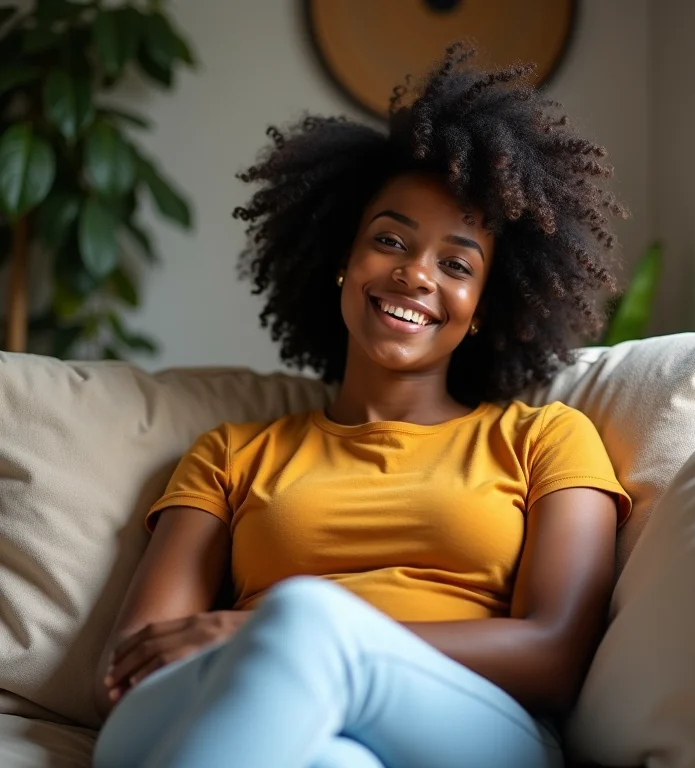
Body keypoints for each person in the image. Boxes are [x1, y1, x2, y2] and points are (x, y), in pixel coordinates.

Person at [93, 43, 631, 768]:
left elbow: (554, 653)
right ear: (344, 261)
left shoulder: (545, 438)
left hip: (464, 724)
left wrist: (261, 631)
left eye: (456, 264)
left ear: (480, 309)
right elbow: (133, 666)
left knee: (307, 616)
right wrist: (267, 650)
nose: (414, 274)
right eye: (390, 241)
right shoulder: (232, 453)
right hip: (226, 707)